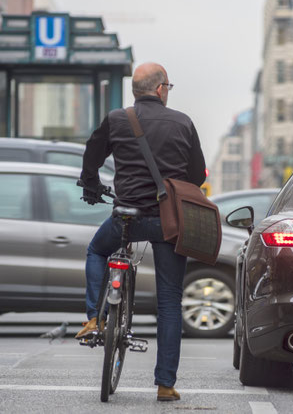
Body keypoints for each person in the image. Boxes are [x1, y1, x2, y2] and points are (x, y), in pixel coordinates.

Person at [76, 62, 206, 402]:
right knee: (169, 301)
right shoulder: (183, 122)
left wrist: (91, 185)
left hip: (126, 216)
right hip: (168, 221)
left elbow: (92, 154)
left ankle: (94, 317)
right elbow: (196, 175)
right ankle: (165, 384)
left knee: (97, 250)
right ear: (161, 89)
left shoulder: (118, 119)